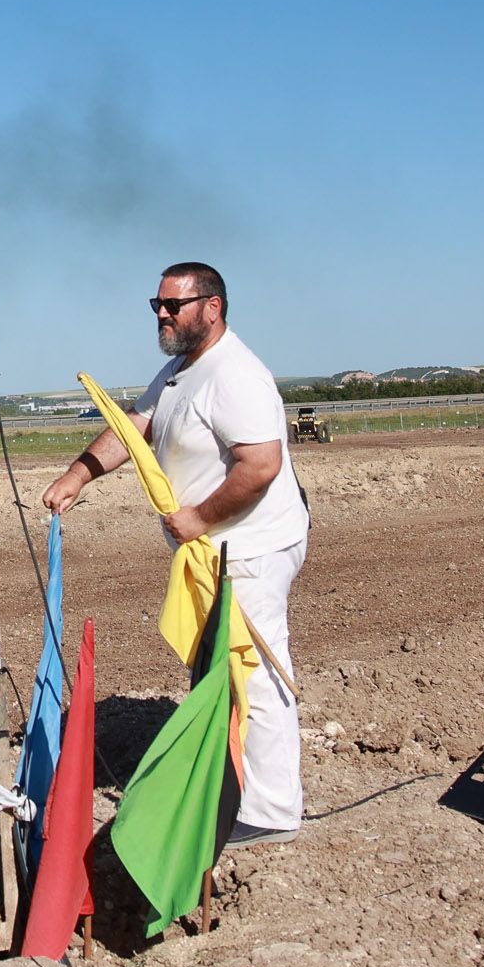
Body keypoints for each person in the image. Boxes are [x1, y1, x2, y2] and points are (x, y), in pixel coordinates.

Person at [44, 260, 310, 846]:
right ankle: (226, 787)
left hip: (251, 548)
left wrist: (198, 518)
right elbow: (132, 428)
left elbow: (261, 465)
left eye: (174, 306)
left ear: (212, 307)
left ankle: (271, 811)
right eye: (157, 305)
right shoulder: (178, 372)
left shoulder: (235, 374)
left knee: (255, 672)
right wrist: (77, 476)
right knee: (215, 670)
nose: (162, 314)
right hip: (211, 551)